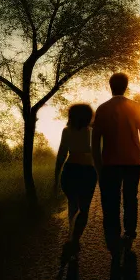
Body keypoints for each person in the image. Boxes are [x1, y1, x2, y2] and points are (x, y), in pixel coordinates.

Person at [92, 73, 140, 257]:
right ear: (126, 86)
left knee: (110, 202)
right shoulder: (137, 107)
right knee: (130, 198)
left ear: (110, 86)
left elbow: (95, 142)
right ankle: (129, 235)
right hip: (132, 161)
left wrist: (98, 168)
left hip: (109, 163)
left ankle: (113, 238)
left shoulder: (102, 109)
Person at [54, 103, 98, 259]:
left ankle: (72, 238)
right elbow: (97, 156)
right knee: (84, 210)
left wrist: (56, 176)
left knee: (73, 206)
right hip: (87, 172)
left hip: (70, 171)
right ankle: (74, 239)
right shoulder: (92, 133)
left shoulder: (66, 131)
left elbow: (61, 155)